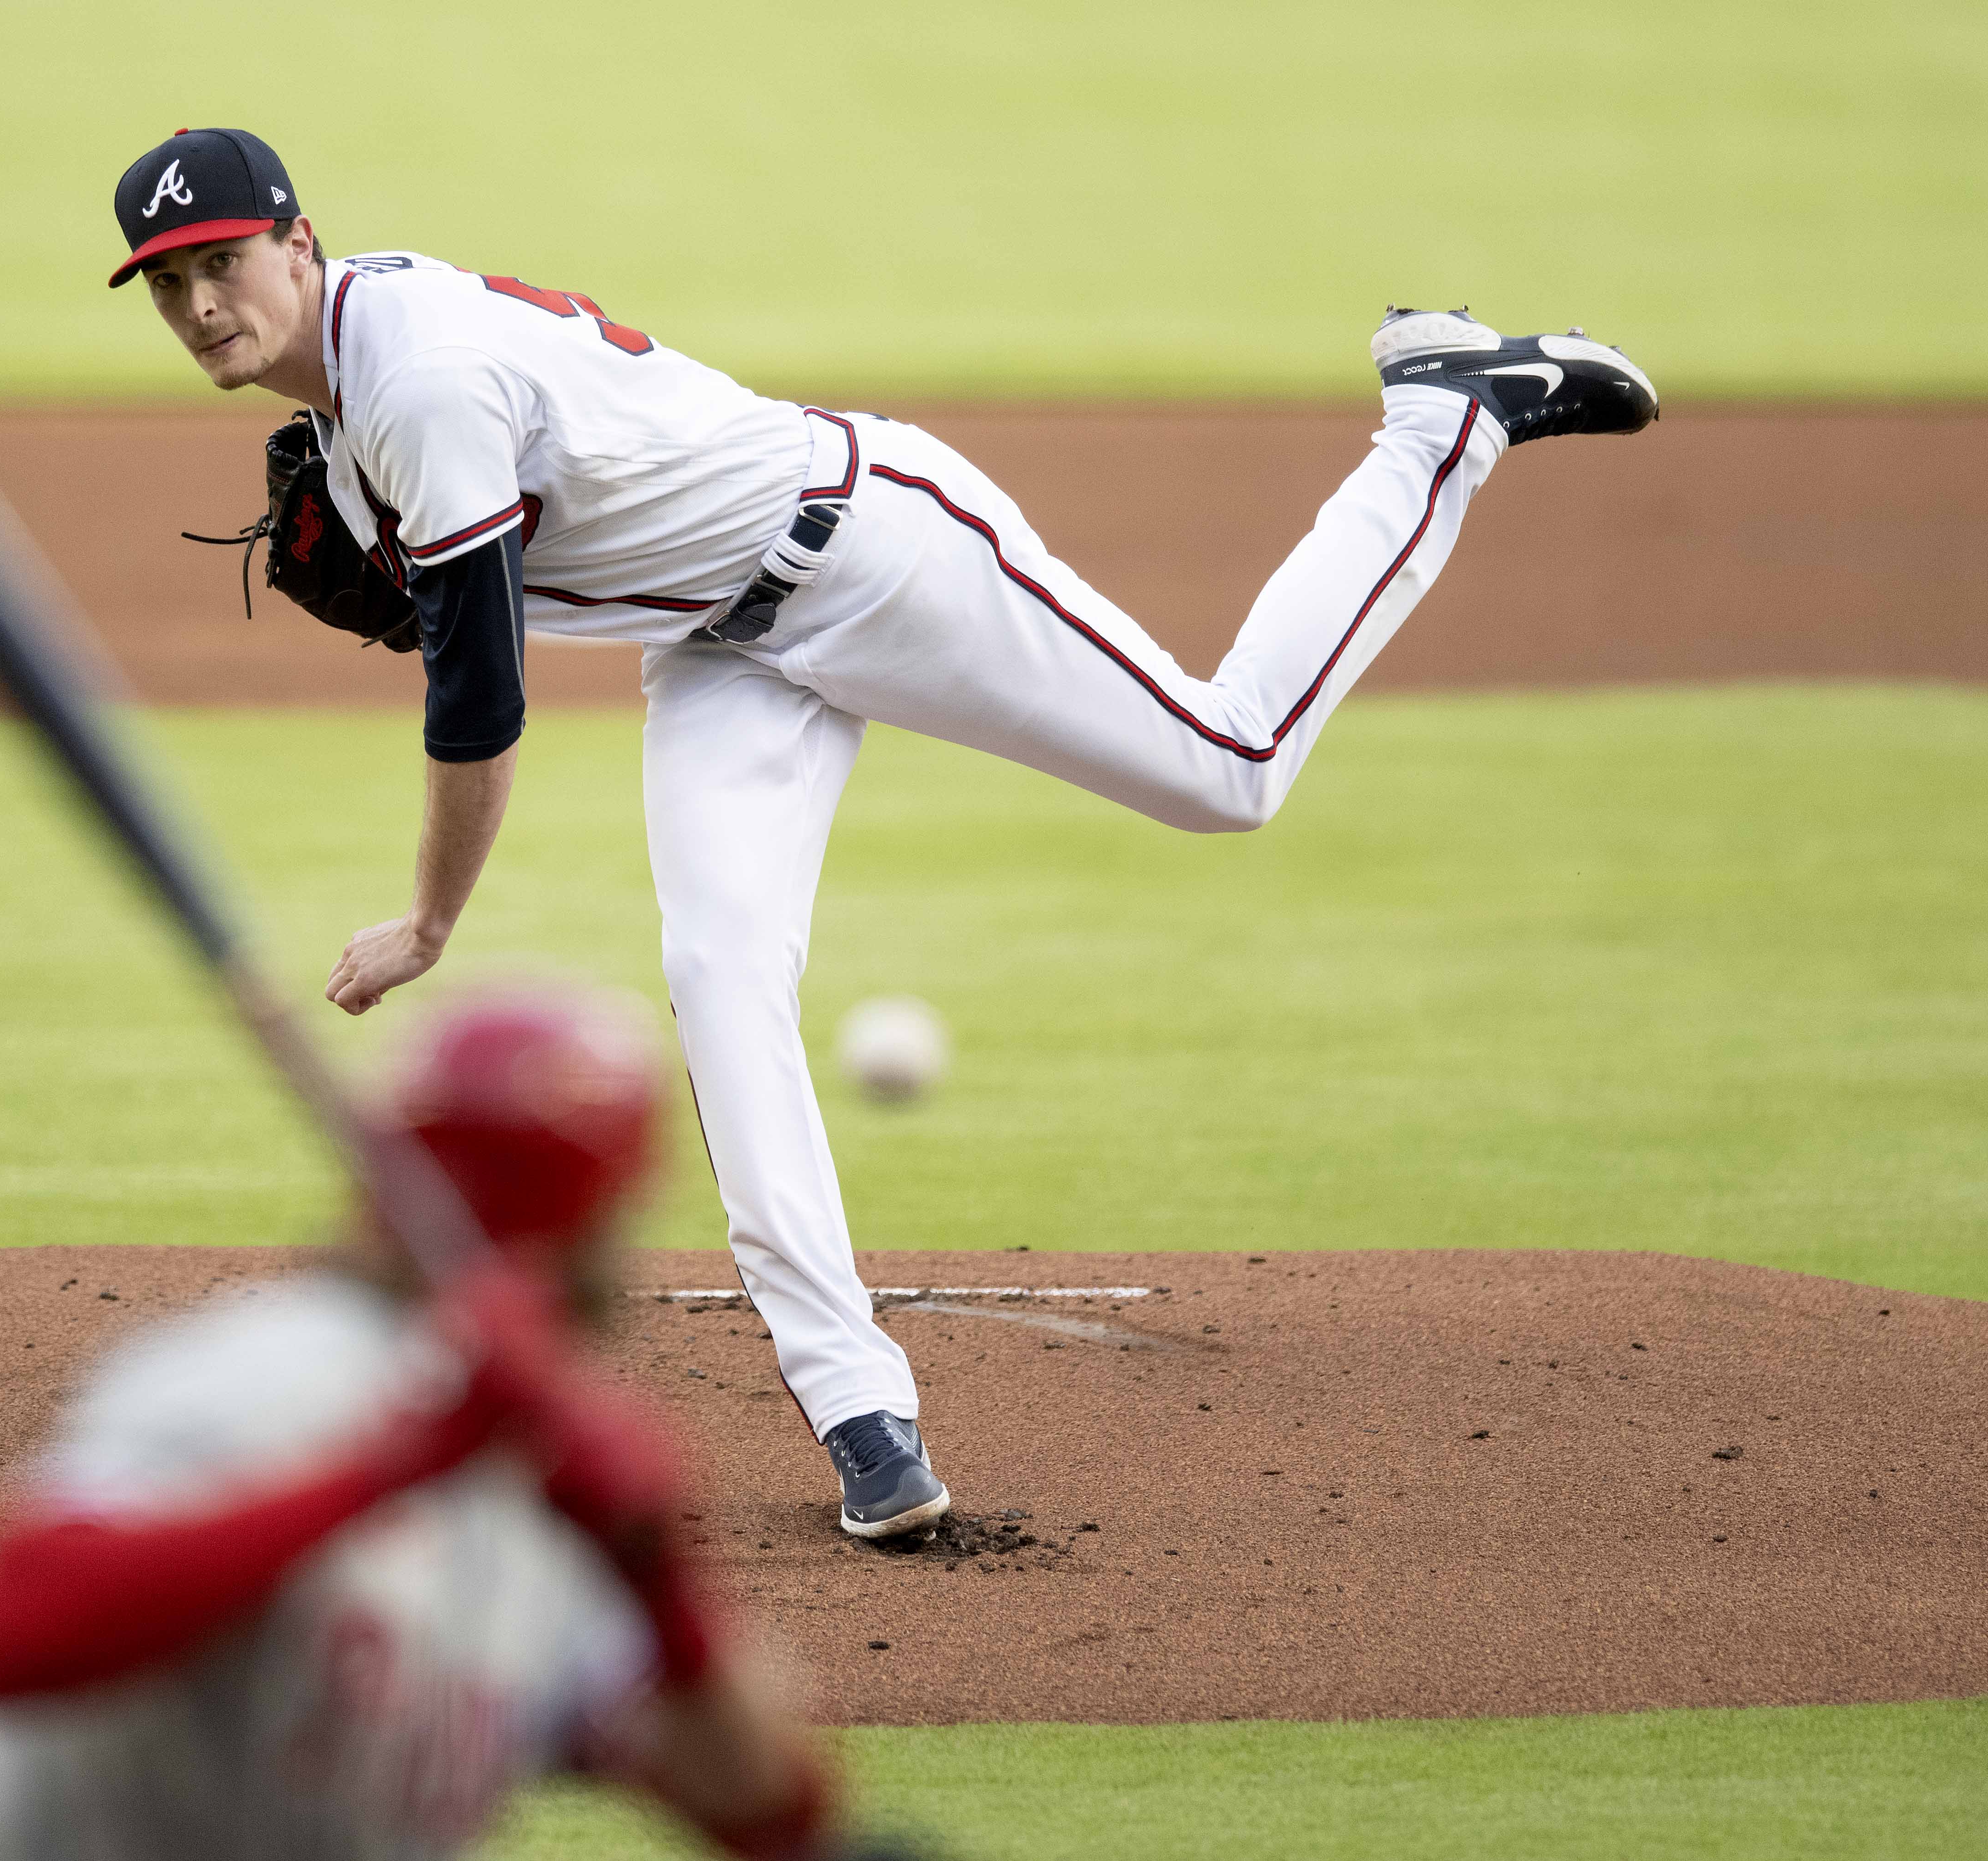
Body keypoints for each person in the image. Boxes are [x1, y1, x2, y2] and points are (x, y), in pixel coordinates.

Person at [102, 127, 1659, 1541]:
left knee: (1228, 762)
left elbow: (480, 706)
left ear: (300, 243)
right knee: (719, 974)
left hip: (880, 552)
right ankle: (864, 1416)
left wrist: (432, 922)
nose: (198, 304)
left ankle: (1441, 418)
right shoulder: (366, 379)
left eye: (222, 262)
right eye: (167, 283)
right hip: (721, 651)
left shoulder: (421, 386)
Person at [0, 987, 860, 1861]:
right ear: (599, 1225)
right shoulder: (258, 1373)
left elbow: (770, 1816)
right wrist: (397, 1466)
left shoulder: (542, 1469)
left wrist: (658, 1584)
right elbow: (12, 1635)